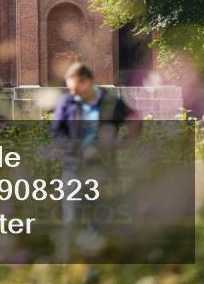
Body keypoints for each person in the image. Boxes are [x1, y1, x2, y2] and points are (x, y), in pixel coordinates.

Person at [51, 62, 136, 260]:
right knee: (71, 217)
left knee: (100, 219)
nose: (72, 93)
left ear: (87, 82)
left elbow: (134, 119)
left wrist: (124, 141)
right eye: (70, 89)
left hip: (103, 169)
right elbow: (57, 132)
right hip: (74, 168)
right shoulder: (67, 102)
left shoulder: (111, 102)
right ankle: (65, 263)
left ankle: (95, 266)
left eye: (75, 88)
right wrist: (78, 149)